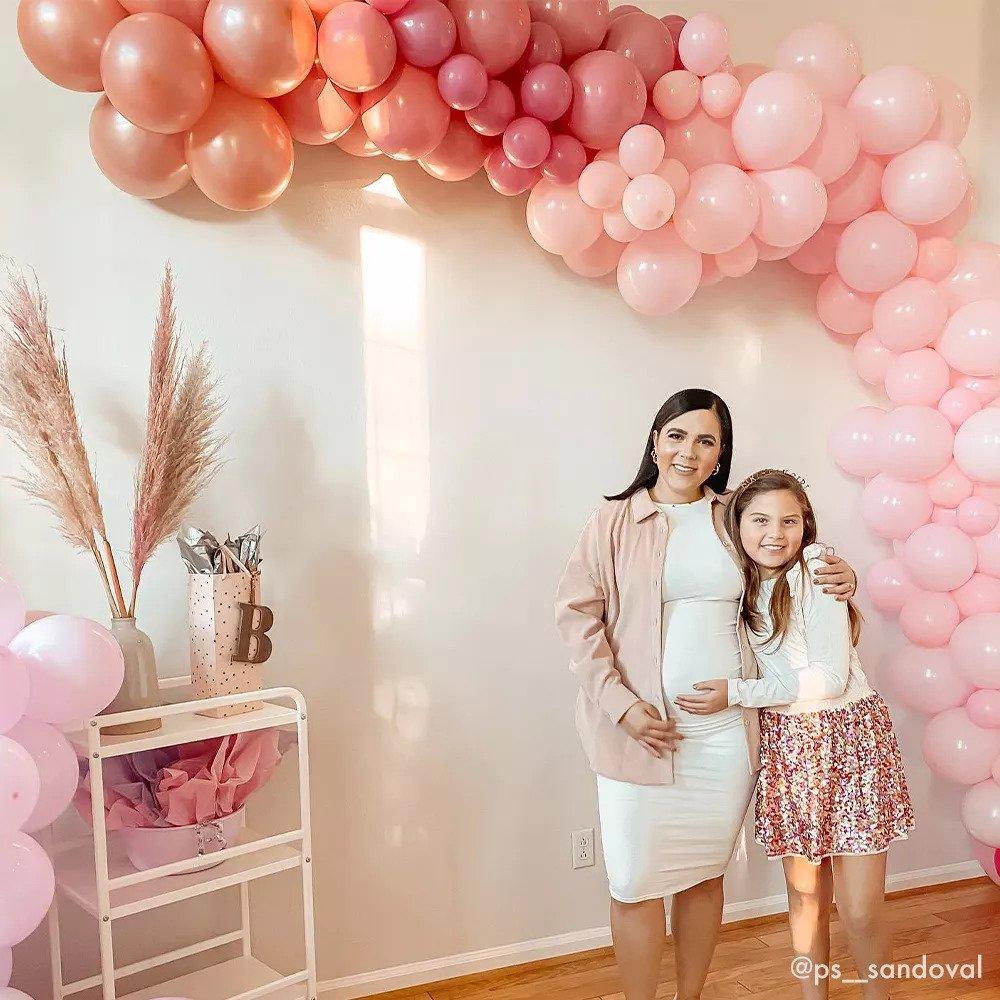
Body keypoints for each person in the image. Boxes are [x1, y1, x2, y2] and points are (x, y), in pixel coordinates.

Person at [554, 391, 858, 1000]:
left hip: (726, 740)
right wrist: (623, 707)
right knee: (635, 881)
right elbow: (576, 617)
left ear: (721, 454)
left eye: (706, 440)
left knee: (701, 875)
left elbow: (794, 582)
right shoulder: (614, 519)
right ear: (656, 440)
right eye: (677, 435)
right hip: (639, 735)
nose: (688, 451)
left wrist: (844, 582)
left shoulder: (734, 518)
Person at [676, 469, 914, 1000]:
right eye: (760, 520)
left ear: (806, 526)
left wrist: (735, 691)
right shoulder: (737, 582)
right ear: (737, 525)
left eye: (790, 521)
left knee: (858, 907)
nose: (774, 534)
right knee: (804, 896)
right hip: (789, 745)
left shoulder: (814, 567)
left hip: (851, 743)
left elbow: (827, 682)